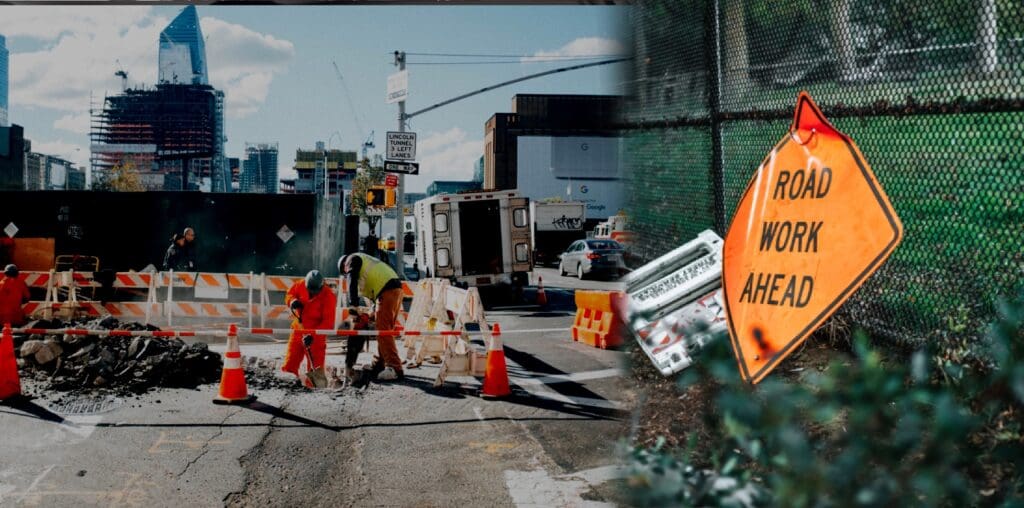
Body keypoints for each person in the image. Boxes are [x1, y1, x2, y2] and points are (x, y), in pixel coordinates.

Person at [339, 253, 404, 382]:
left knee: (383, 330)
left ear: (344, 267)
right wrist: (370, 313)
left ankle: (395, 368)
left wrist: (353, 305)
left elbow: (351, 278)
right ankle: (379, 364)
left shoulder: (352, 260)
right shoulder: (365, 262)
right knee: (384, 328)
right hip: (393, 288)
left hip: (387, 289)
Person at [281, 270, 337, 386]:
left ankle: (313, 391)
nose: (312, 294)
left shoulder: (328, 296)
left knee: (315, 370)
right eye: (310, 290)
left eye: (315, 291)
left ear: (321, 287)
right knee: (290, 364)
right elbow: (289, 294)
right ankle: (288, 386)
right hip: (298, 330)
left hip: (316, 336)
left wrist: (313, 336)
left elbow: (328, 322)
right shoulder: (300, 285)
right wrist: (292, 301)